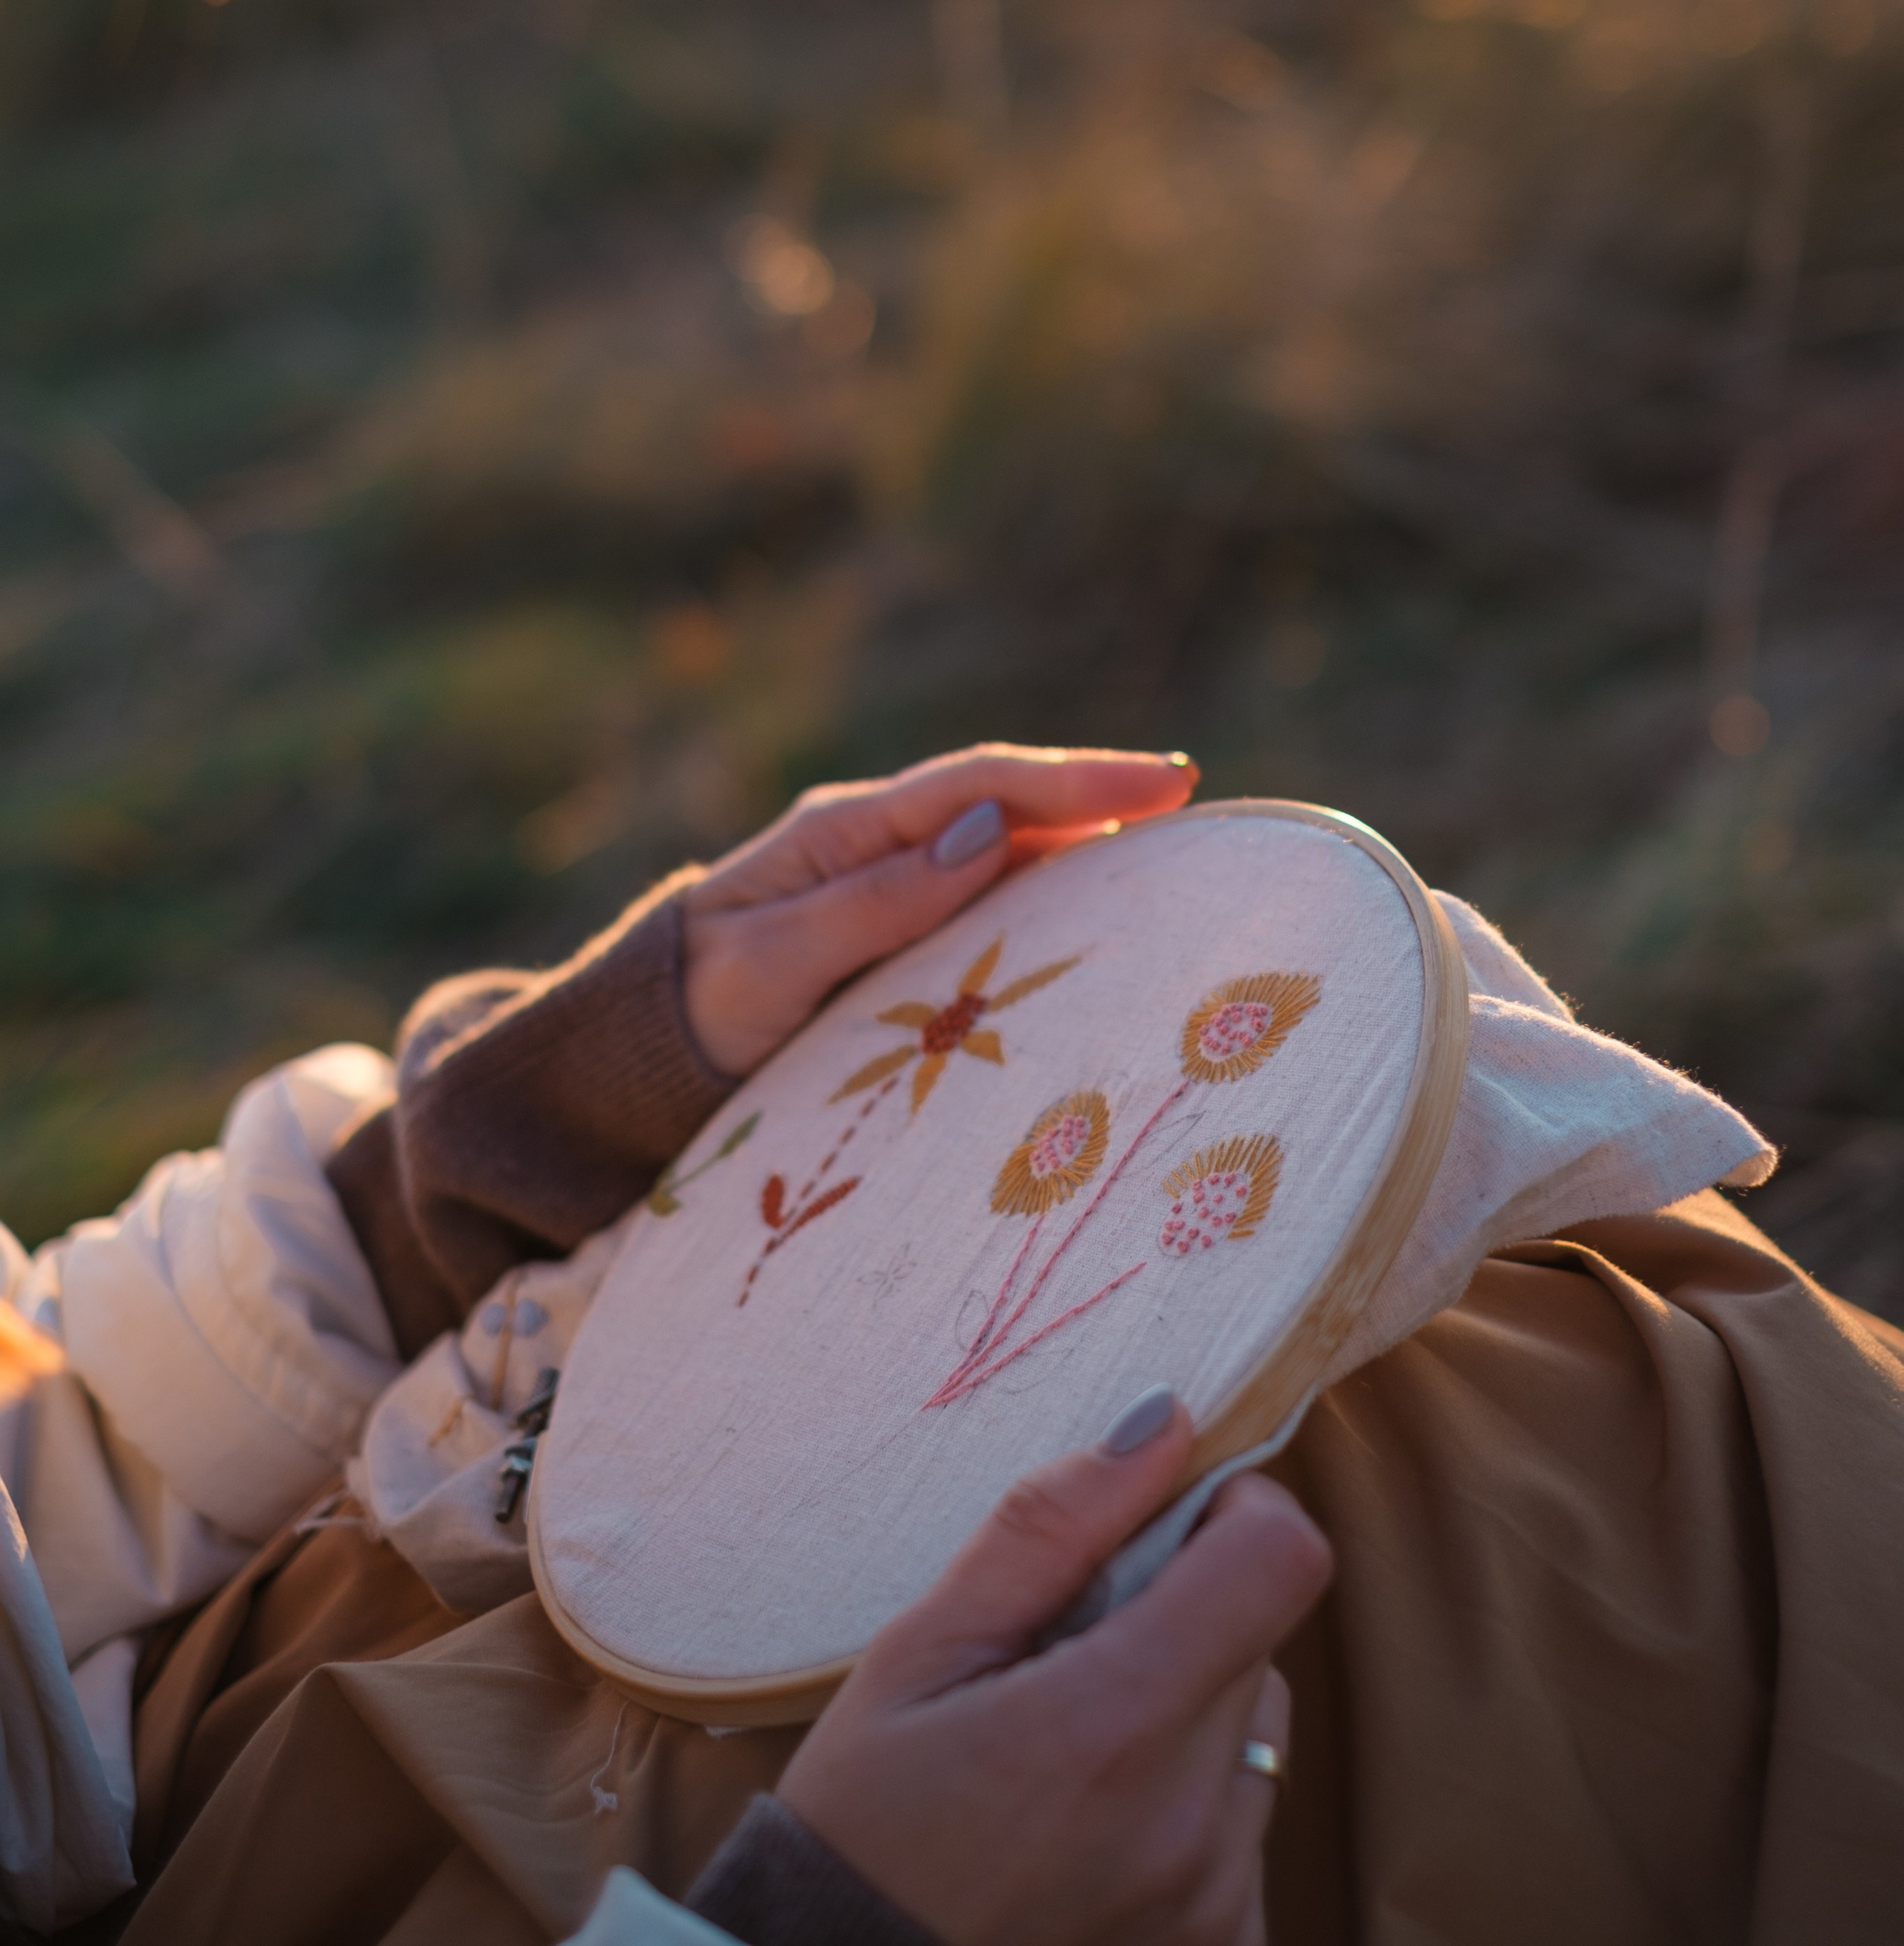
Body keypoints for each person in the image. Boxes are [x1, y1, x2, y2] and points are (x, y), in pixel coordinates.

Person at [3, 744, 1902, 1944]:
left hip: (277, 1599)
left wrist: (502, 1153)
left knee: (1540, 1359)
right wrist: (835, 1922)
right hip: (323, 1834)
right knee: (1450, 1552)